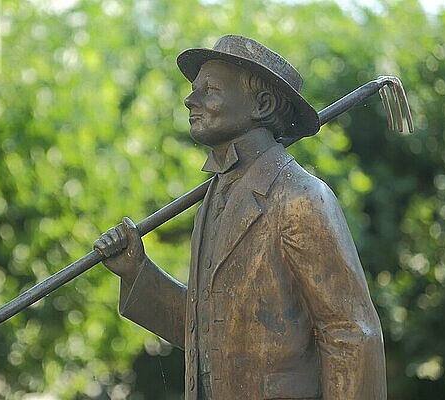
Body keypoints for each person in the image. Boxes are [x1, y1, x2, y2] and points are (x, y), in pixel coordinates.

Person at [94, 35, 386, 400]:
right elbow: (211, 332)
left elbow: (352, 335)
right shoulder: (214, 200)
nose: (190, 99)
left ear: (261, 104)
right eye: (194, 89)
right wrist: (137, 272)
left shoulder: (300, 197)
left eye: (210, 90)